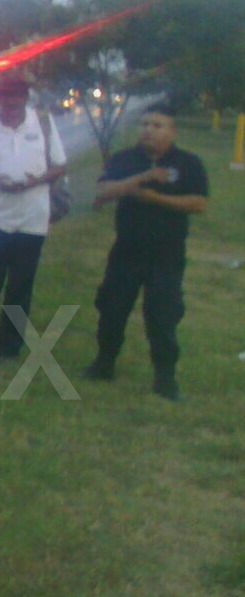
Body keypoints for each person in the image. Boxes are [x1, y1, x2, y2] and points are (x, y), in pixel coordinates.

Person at [82, 103, 209, 400]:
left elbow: (199, 204)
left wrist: (154, 198)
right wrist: (141, 179)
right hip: (126, 251)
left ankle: (165, 379)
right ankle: (104, 363)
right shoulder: (126, 159)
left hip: (167, 254)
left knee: (163, 317)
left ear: (172, 131)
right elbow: (103, 191)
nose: (148, 130)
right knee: (112, 310)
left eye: (157, 125)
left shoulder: (189, 163)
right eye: (144, 124)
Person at [0, 75, 68, 357]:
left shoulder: (41, 123)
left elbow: (59, 166)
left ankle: (10, 345)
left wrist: (36, 180)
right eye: (6, 99)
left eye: (16, 99)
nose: (10, 105)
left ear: (25, 99)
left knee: (21, 285)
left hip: (32, 219)